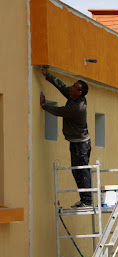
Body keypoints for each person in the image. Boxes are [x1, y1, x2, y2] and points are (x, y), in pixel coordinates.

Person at [40, 67, 92, 207]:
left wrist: (45, 106)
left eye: (74, 86)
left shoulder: (77, 107)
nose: (71, 87)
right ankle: (85, 199)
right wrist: (48, 76)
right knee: (77, 171)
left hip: (81, 145)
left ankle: (87, 200)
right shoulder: (73, 95)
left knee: (81, 171)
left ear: (79, 92)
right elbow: (62, 87)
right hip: (77, 142)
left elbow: (59, 111)